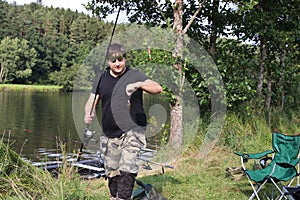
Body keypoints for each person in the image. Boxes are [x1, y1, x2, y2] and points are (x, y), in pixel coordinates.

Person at [84, 43, 162, 200]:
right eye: (113, 61)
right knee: (112, 175)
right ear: (108, 62)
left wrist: (139, 85)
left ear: (125, 59)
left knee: (127, 170)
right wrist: (88, 113)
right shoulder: (101, 79)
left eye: (120, 59)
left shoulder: (134, 75)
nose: (117, 63)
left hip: (133, 130)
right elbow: (92, 100)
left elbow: (157, 88)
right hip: (109, 134)